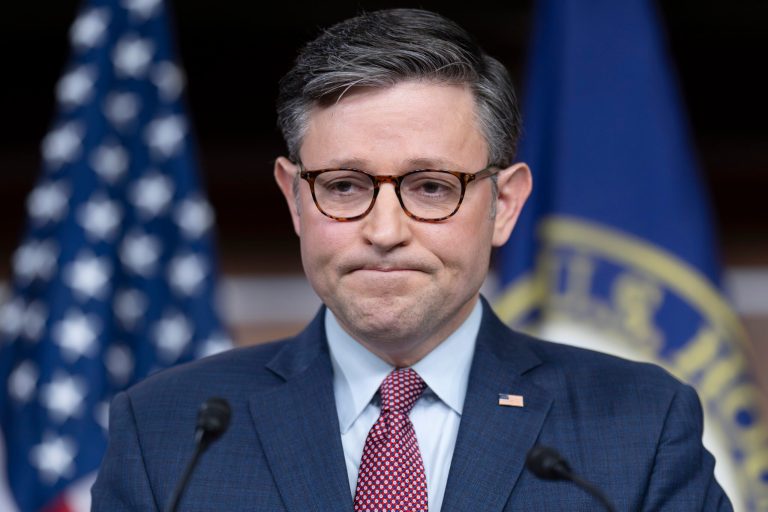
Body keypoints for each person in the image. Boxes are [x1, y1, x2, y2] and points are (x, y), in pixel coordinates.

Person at [92, 8, 731, 511]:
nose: (385, 230)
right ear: (293, 198)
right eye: (344, 186)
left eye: (431, 187)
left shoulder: (639, 425)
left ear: (504, 204)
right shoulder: (170, 432)